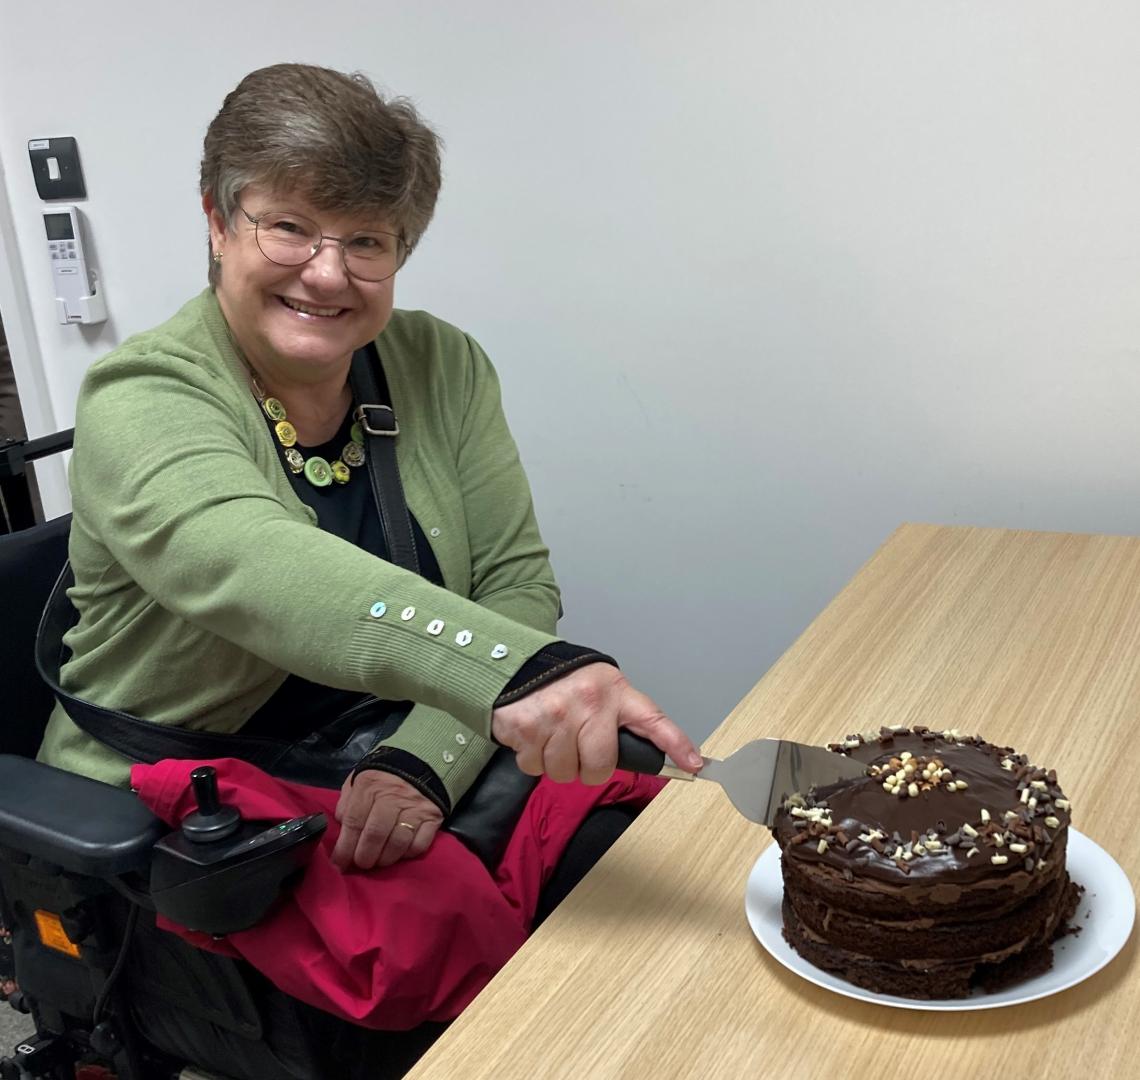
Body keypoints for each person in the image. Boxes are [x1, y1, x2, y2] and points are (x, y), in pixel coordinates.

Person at [35, 61, 701, 1032]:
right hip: (184, 798)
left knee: (647, 878)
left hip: (383, 748)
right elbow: (259, 568)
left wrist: (423, 758)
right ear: (218, 222)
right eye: (288, 225)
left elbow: (514, 581)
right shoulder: (144, 399)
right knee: (512, 986)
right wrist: (522, 677)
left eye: (367, 241)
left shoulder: (439, 363)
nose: (328, 271)